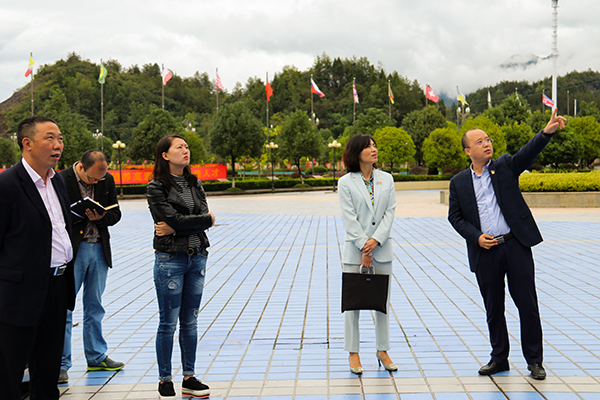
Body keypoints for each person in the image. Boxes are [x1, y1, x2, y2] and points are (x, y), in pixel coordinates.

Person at [448, 108, 566, 380]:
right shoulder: (459, 182)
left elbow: (527, 154)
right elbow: (455, 217)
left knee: (527, 305)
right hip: (485, 251)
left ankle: (535, 361)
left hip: (515, 245)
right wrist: (476, 237)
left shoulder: (504, 167)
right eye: (479, 142)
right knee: (494, 308)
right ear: (468, 151)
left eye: (487, 140)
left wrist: (545, 133)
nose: (486, 144)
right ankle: (499, 358)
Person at [0, 116, 74, 399]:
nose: (58, 145)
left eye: (60, 139)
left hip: (57, 286)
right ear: (27, 143)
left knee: (47, 370)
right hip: (18, 293)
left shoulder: (58, 182)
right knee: (9, 372)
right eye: (50, 138)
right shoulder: (7, 184)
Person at [146, 134, 214, 399]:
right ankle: (165, 379)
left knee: (190, 320)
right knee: (168, 322)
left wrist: (177, 226)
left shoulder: (195, 182)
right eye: (179, 147)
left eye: (186, 147)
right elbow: (174, 217)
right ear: (165, 155)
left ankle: (189, 376)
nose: (185, 150)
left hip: (197, 257)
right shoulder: (156, 187)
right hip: (170, 260)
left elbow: (202, 218)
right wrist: (199, 221)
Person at [58, 150, 124, 383]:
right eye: (93, 178)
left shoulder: (107, 179)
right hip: (73, 251)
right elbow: (56, 216)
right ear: (81, 167)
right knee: (65, 307)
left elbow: (116, 213)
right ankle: (61, 363)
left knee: (95, 305)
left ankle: (96, 356)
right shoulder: (61, 179)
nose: (97, 181)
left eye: (101, 177)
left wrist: (101, 218)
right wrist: (82, 215)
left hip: (98, 247)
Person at [338, 134, 397, 375]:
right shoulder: (345, 183)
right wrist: (364, 246)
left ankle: (383, 350)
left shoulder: (387, 179)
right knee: (353, 304)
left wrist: (375, 241)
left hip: (382, 250)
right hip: (354, 252)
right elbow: (349, 219)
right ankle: (353, 352)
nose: (374, 149)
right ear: (356, 152)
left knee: (381, 303)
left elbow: (389, 213)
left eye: (374, 145)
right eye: (368, 146)